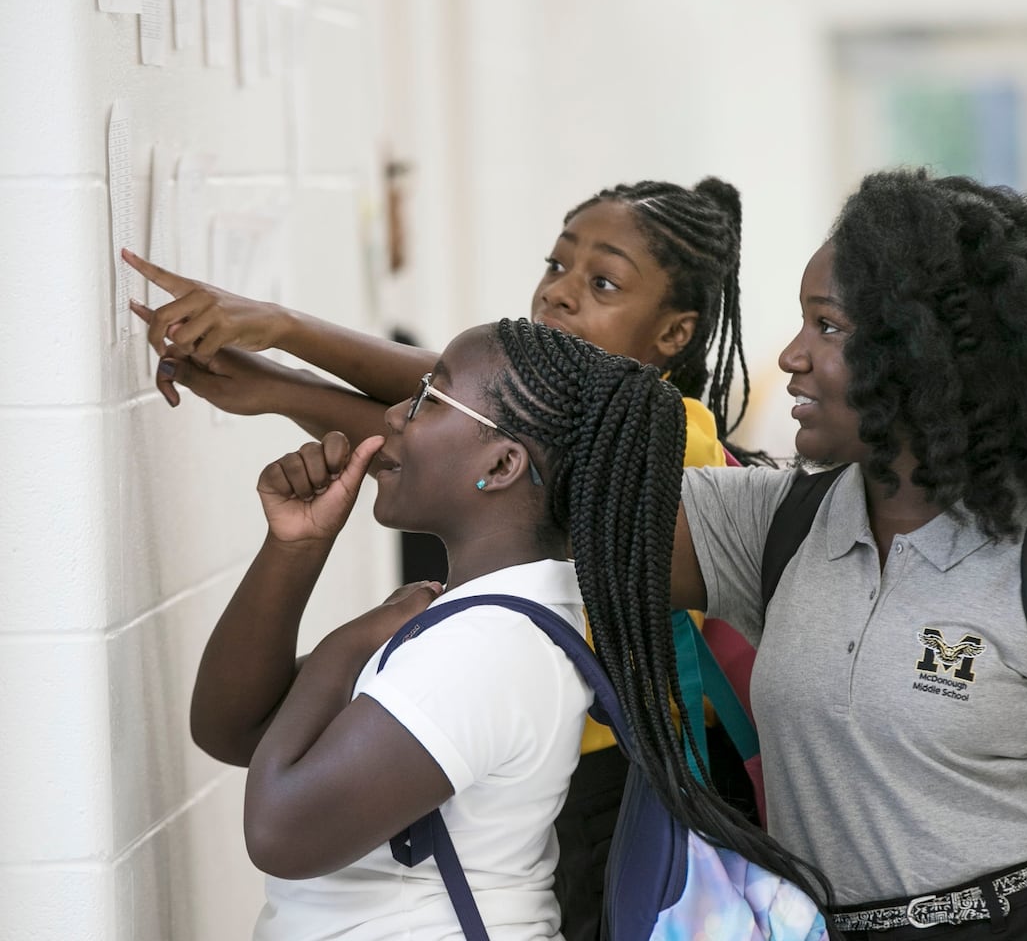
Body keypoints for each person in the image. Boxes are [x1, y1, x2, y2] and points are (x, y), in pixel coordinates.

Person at [125, 176, 764, 939]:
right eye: (555, 265)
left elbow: (279, 832)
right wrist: (283, 402)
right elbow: (474, 420)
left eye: (601, 282)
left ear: (673, 333)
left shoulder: (666, 445)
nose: (560, 293)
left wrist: (284, 352)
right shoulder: (477, 596)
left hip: (604, 797)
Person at [668, 168, 1027, 939]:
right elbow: (556, 487)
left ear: (921, 356)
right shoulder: (774, 525)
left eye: (827, 326)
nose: (790, 356)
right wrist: (444, 379)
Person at [207, 317, 828, 940]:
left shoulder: (486, 649)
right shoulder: (485, 618)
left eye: (428, 397)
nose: (394, 414)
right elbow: (242, 730)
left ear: (502, 465)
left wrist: (348, 643)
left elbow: (280, 833)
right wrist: (296, 550)